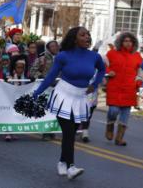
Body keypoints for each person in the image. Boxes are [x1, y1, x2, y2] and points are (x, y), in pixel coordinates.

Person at [33, 27, 105, 180]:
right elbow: (51, 76)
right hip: (63, 96)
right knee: (69, 133)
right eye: (83, 35)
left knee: (70, 134)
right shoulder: (63, 56)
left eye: (88, 35)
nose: (87, 37)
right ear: (74, 39)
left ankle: (62, 162)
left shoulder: (94, 57)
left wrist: (95, 83)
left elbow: (102, 70)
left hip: (80, 98)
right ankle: (71, 167)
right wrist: (37, 92)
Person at [105, 32, 143, 146]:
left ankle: (119, 138)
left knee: (125, 114)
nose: (127, 43)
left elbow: (141, 71)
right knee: (113, 110)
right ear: (121, 42)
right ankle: (110, 125)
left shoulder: (137, 56)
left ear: (133, 43)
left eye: (130, 41)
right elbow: (103, 66)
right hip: (114, 86)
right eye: (125, 41)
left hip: (129, 88)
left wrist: (138, 81)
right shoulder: (111, 53)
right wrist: (108, 72)